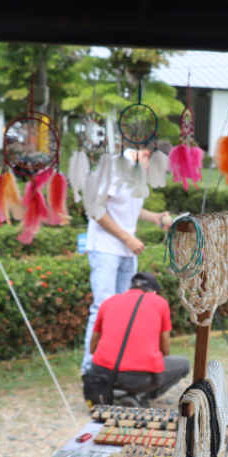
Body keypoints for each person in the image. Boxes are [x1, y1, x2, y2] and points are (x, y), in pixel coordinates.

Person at [80, 149, 174, 374]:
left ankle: (117, 365)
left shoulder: (137, 172)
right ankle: (90, 369)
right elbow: (95, 210)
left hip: (126, 251)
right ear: (145, 153)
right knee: (102, 308)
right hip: (106, 249)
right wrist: (127, 238)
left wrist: (154, 217)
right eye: (154, 166)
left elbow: (127, 206)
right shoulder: (113, 167)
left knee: (127, 310)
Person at [82, 271, 190, 405]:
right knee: (184, 364)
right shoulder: (160, 303)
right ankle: (140, 396)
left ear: (130, 287)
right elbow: (165, 350)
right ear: (154, 292)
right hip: (138, 379)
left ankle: (117, 392)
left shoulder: (109, 301)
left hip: (101, 373)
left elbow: (92, 348)